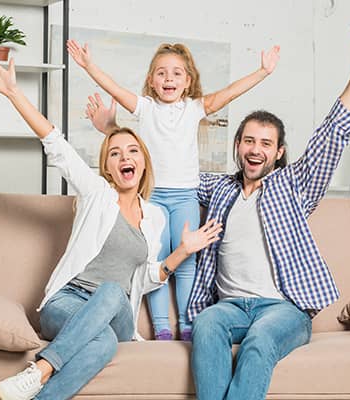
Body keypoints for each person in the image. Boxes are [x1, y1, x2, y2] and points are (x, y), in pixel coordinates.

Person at [87, 16, 350, 400]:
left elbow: (331, 138)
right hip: (229, 308)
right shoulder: (217, 189)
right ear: (238, 146)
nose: (256, 149)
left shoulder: (295, 186)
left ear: (279, 152)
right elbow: (156, 170)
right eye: (249, 140)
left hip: (281, 311)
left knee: (258, 343)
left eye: (266, 143)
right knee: (205, 327)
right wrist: (111, 132)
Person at [0, 51, 222, 400]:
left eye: (133, 151)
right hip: (67, 303)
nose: (125, 157)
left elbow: (146, 278)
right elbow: (55, 144)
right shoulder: (95, 195)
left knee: (110, 292)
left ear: (143, 162)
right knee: (103, 342)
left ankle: (40, 370)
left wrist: (182, 252)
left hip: (117, 311)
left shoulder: (156, 217)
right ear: (106, 166)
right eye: (116, 152)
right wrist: (14, 93)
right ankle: (41, 392)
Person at [67, 39, 280, 340]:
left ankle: (187, 324)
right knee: (155, 261)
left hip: (185, 196)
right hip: (150, 197)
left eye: (177, 73)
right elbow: (114, 88)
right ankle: (162, 328)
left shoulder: (194, 108)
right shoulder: (145, 107)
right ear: (151, 82)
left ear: (188, 81)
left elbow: (229, 92)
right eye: (162, 73)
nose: (169, 79)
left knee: (186, 259)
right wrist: (89, 65)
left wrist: (262, 71)